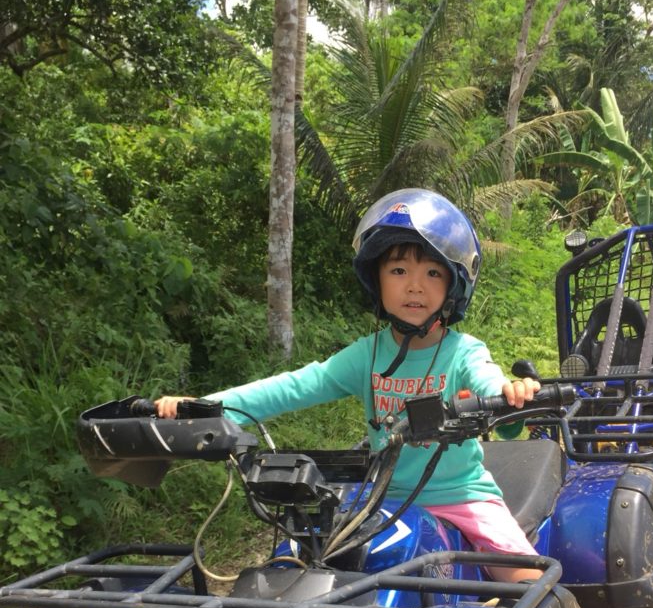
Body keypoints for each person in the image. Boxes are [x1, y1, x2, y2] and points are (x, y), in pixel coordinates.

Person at [155, 188, 542, 581]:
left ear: (453, 286)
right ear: (376, 280)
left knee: (527, 583)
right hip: (381, 500)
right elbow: (294, 386)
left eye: (431, 272)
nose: (414, 286)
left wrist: (511, 395)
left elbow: (492, 387)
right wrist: (204, 407)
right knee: (301, 568)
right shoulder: (366, 355)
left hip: (461, 498)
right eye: (398, 271)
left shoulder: (464, 352)